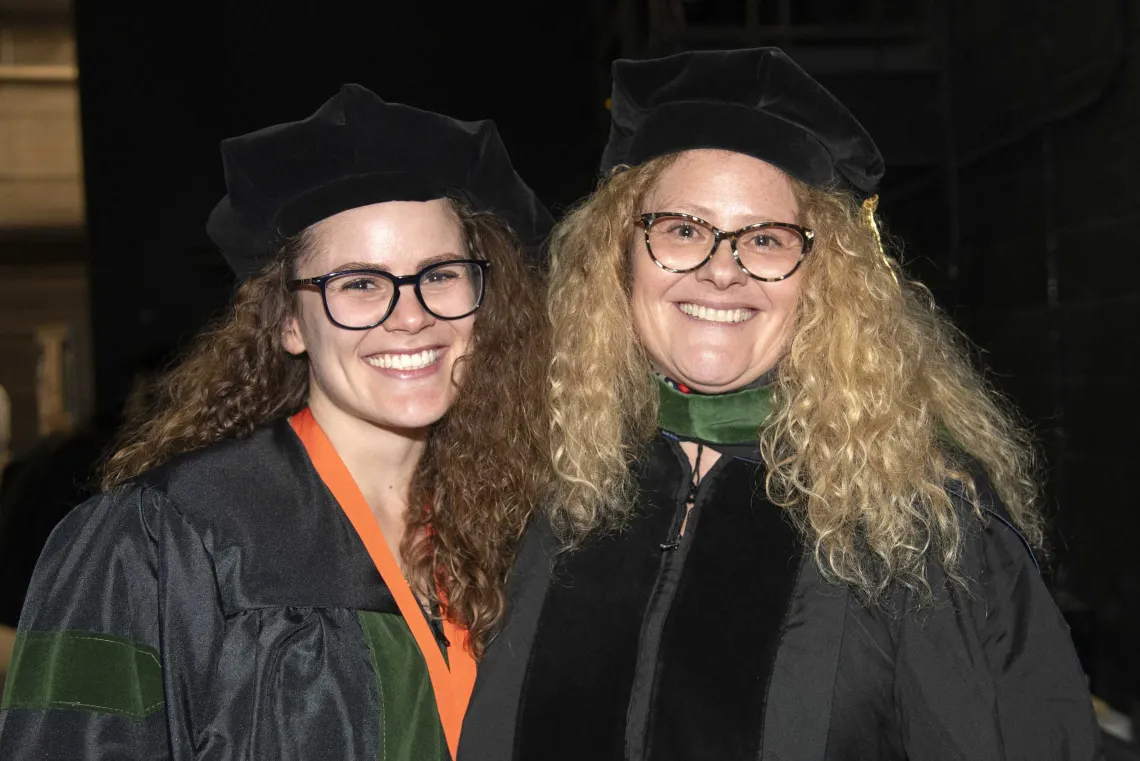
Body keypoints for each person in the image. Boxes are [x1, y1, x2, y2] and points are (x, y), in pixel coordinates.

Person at [459, 48, 1104, 760]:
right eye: (682, 229)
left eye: (766, 239)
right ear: (619, 256)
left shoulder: (925, 526)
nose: (722, 270)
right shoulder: (534, 481)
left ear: (826, 278)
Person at [0, 83, 551, 760]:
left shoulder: (516, 531)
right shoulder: (170, 538)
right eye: (358, 283)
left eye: (439, 274)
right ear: (289, 321)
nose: (410, 315)